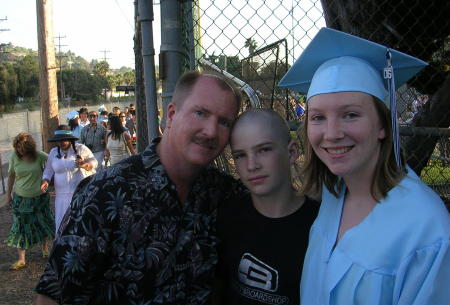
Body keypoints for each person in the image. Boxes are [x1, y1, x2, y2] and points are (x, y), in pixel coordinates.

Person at [35, 70, 245, 305]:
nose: (211, 131)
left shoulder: (227, 197)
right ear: (172, 115)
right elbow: (52, 296)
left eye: (224, 122)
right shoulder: (105, 192)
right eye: (200, 113)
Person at [278, 28, 450, 305]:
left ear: (383, 125)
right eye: (318, 117)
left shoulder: (426, 228)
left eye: (350, 115)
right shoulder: (334, 194)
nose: (332, 133)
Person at [215, 109, 319, 305]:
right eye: (240, 155)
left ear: (292, 152)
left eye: (264, 150)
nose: (252, 165)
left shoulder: (320, 227)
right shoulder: (227, 217)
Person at [5, 133, 54, 270]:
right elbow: (11, 176)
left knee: (42, 221)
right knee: (20, 226)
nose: (20, 150)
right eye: (18, 147)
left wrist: (47, 180)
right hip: (21, 198)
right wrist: (8, 195)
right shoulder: (14, 156)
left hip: (39, 197)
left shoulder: (38, 155)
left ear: (29, 147)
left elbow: (54, 161)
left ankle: (45, 248)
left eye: (22, 147)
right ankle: (21, 259)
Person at [41, 125, 97, 233]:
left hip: (79, 193)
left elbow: (94, 162)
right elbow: (48, 171)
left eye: (64, 140)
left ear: (70, 139)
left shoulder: (81, 149)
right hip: (61, 196)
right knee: (62, 222)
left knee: (80, 221)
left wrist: (85, 165)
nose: (61, 142)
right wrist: (45, 181)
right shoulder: (53, 152)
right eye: (58, 140)